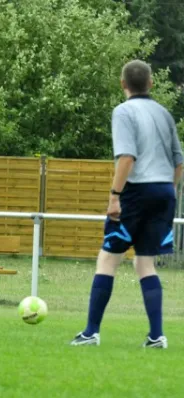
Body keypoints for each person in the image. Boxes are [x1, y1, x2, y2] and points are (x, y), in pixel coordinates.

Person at [70, 60, 182, 349]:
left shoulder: (123, 111)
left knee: (108, 258)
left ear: (123, 84)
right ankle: (157, 336)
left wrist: (114, 196)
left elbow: (127, 158)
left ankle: (91, 332)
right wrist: (169, 189)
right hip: (164, 193)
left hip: (135, 193)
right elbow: (179, 162)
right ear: (151, 84)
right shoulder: (163, 113)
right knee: (145, 262)